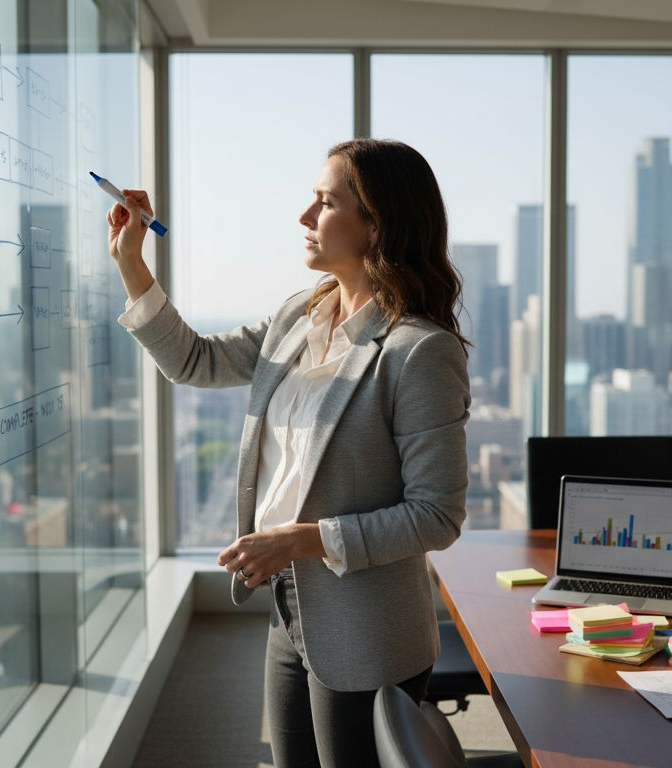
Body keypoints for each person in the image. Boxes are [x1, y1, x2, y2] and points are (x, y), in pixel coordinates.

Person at [107, 138, 471, 767]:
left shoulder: (418, 352)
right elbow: (194, 360)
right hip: (289, 606)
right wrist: (131, 262)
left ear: (375, 224)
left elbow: (437, 516)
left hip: (366, 628)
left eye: (325, 203)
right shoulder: (298, 318)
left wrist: (302, 539)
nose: (305, 218)